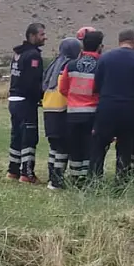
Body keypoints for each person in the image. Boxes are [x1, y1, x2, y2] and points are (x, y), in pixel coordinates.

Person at [89, 29, 134, 183]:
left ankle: (94, 181)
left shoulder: (105, 58)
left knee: (99, 145)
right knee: (125, 147)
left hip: (107, 107)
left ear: (120, 41)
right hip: (129, 109)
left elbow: (96, 86)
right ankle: (121, 182)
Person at [59, 29, 103, 187]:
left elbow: (62, 88)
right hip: (92, 113)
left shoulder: (70, 65)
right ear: (100, 47)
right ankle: (89, 180)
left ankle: (75, 179)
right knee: (90, 148)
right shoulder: (101, 65)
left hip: (73, 113)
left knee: (75, 148)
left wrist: (74, 98)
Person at [6, 23, 47, 183]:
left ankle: (13, 170)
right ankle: (27, 173)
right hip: (26, 102)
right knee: (29, 137)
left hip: (14, 100)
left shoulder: (18, 53)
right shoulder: (33, 55)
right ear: (32, 36)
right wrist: (41, 96)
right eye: (42, 34)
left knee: (16, 135)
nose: (45, 37)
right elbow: (32, 82)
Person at [41, 37, 81, 189]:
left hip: (49, 109)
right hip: (62, 109)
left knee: (54, 146)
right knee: (63, 147)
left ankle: (52, 176)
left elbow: (43, 85)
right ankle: (56, 181)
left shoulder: (52, 64)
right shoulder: (68, 66)